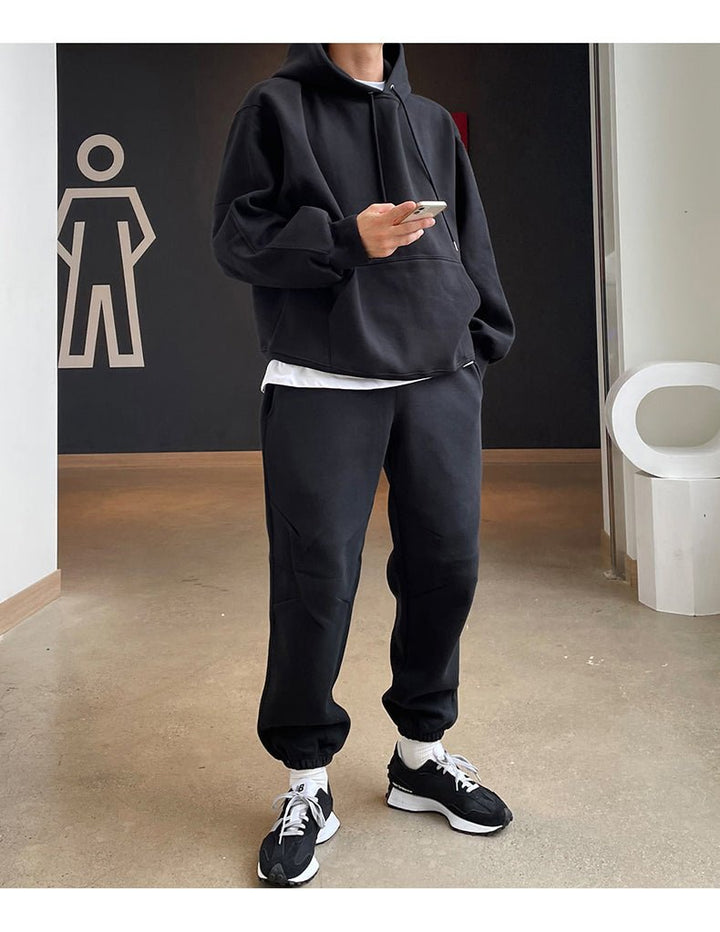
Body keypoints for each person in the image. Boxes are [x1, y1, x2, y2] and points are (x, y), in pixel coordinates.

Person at [212, 42, 516, 887]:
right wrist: (346, 239)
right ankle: (307, 780)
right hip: (323, 379)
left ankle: (420, 756)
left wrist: (480, 339)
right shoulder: (274, 107)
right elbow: (237, 241)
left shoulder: (429, 121)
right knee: (315, 582)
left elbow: (470, 237)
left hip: (439, 377)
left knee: (447, 567)